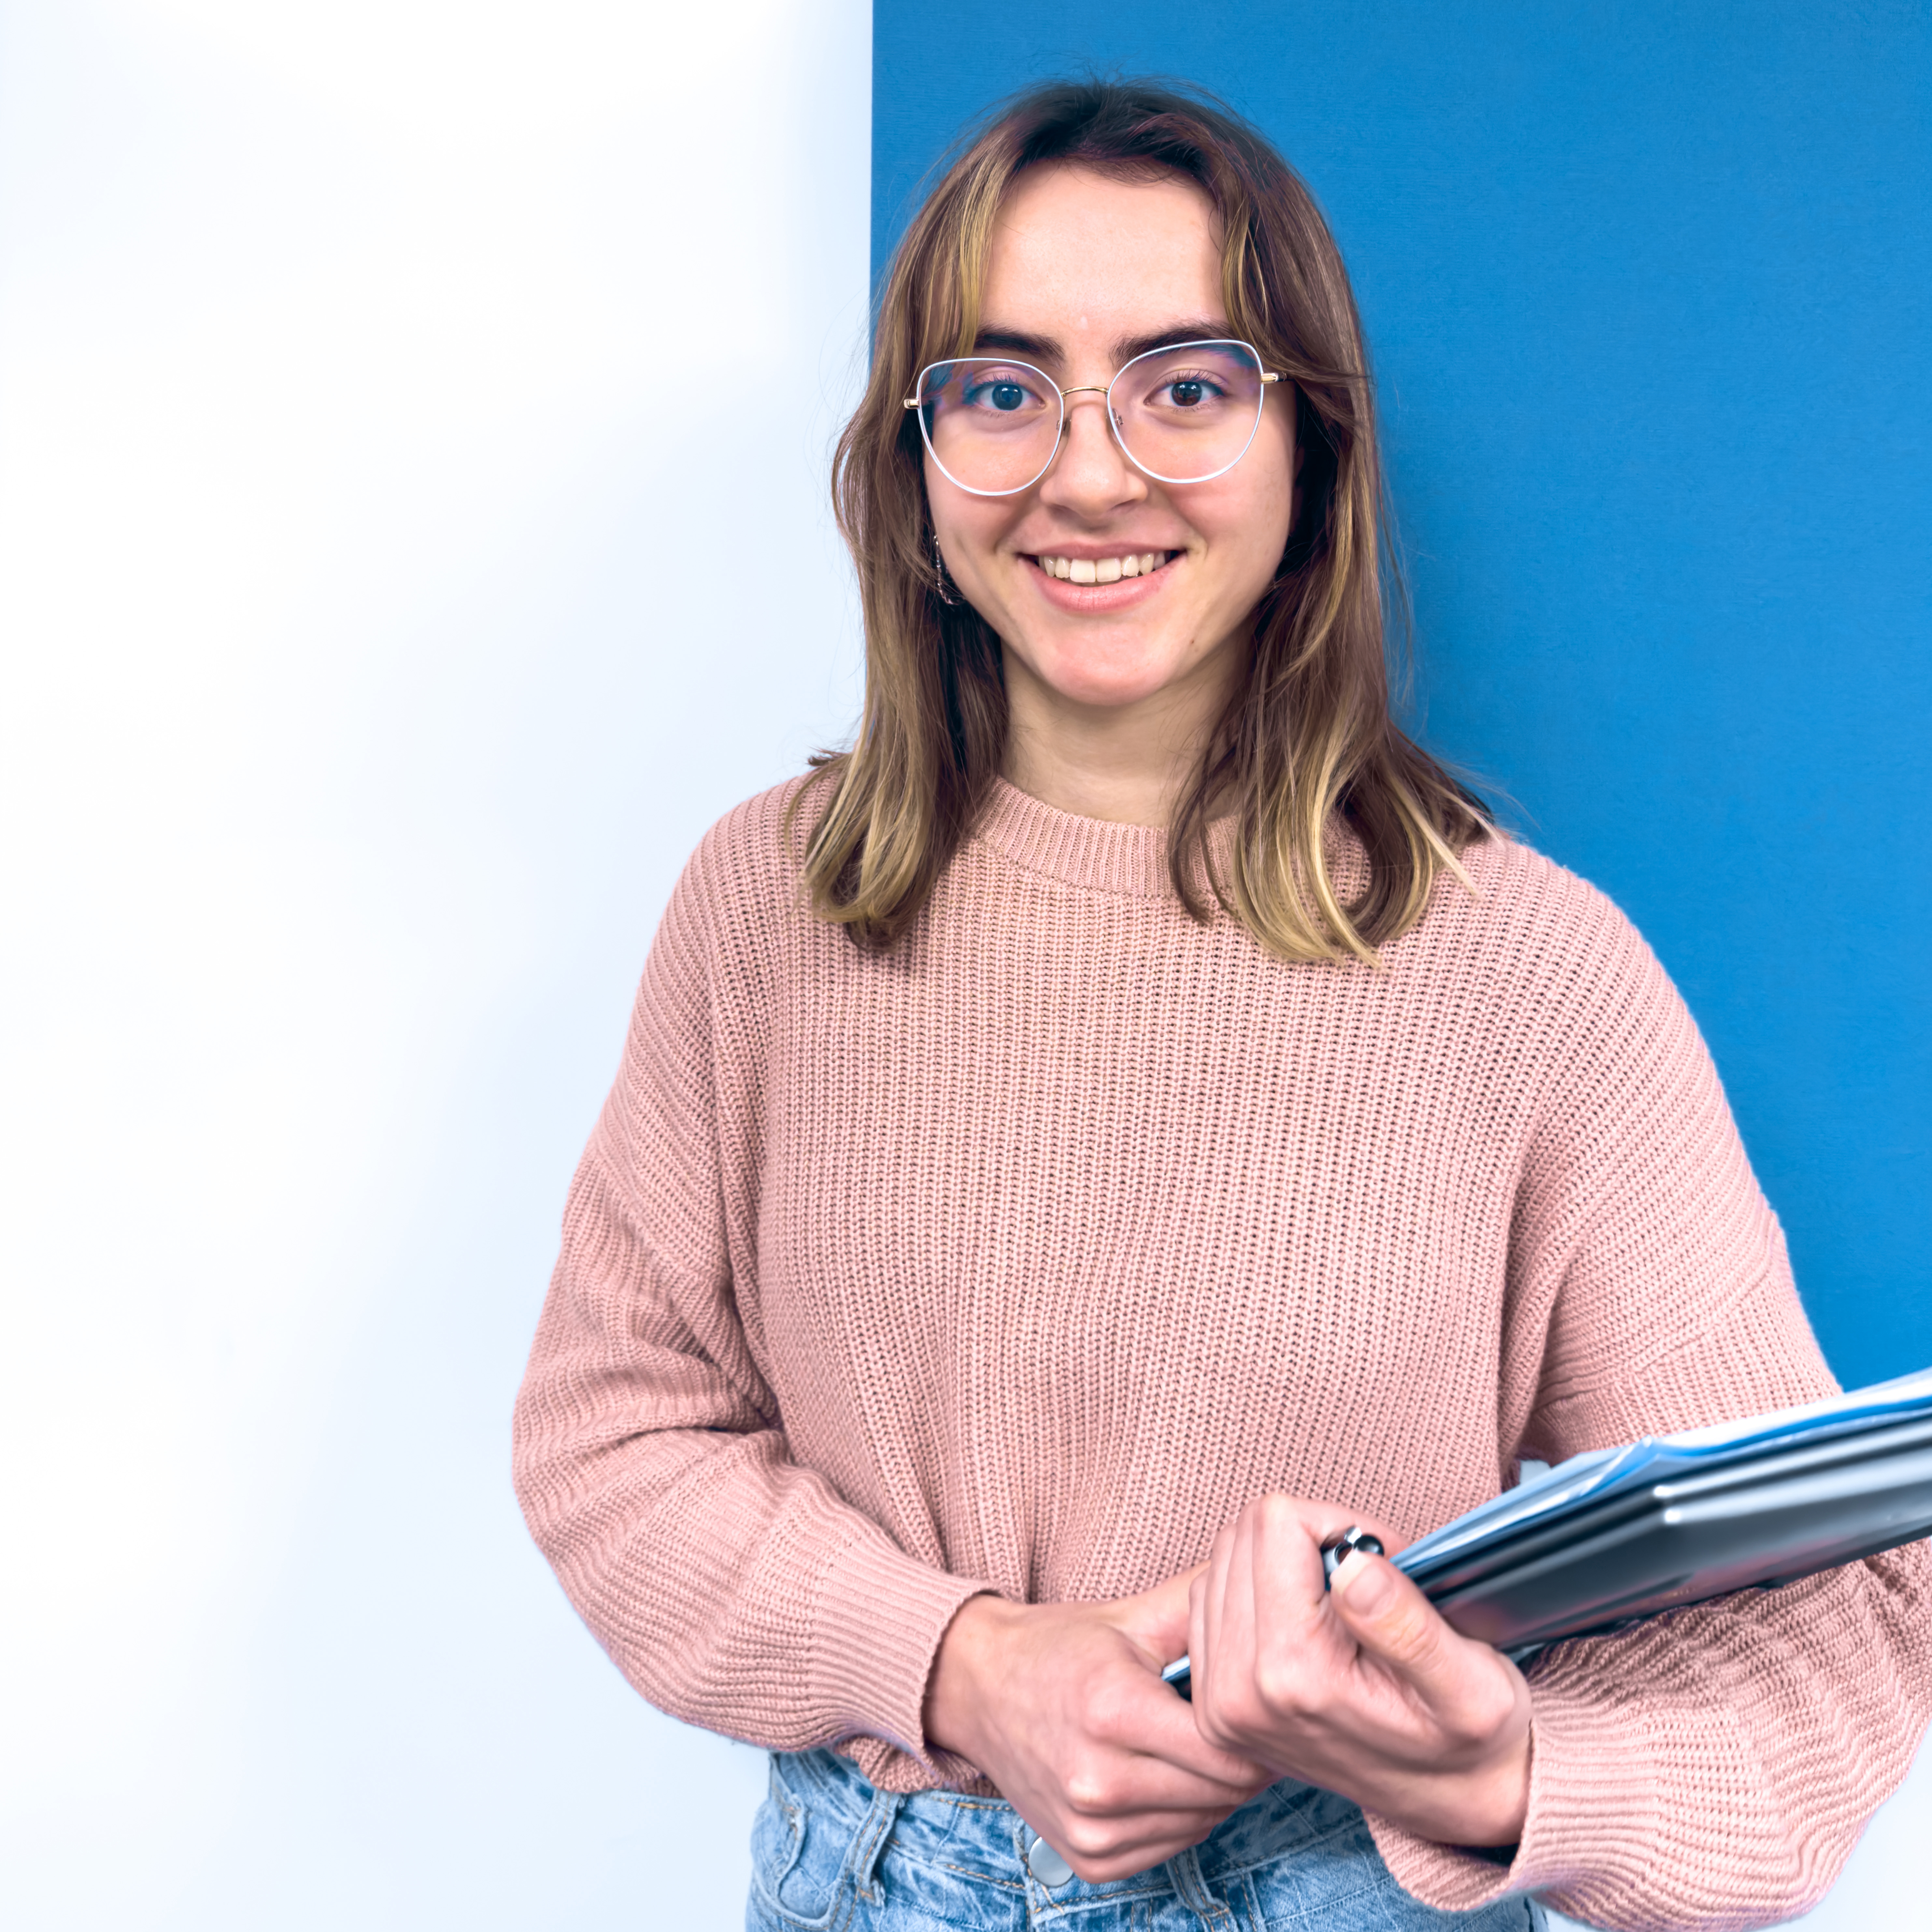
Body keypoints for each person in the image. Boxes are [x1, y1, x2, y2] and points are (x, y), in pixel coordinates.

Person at [512, 78, 1930, 1930]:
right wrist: (964, 1665)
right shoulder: (767, 912)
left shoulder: (1535, 981)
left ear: (1310, 449)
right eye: (1004, 389)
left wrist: (1504, 1773)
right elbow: (614, 1434)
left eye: (1185, 385)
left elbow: (1828, 1632)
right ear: (919, 463)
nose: (1089, 473)